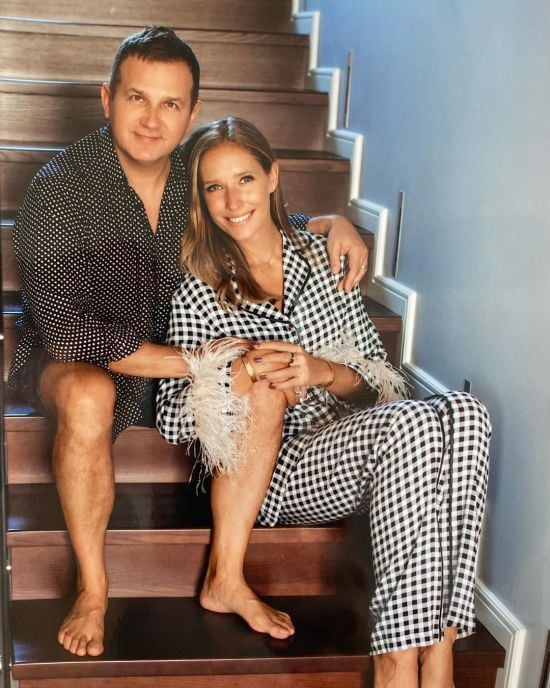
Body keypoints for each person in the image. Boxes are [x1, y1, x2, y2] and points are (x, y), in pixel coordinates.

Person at [7, 27, 369, 658]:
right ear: (107, 99)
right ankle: (93, 588)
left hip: (181, 359)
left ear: (192, 111)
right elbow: (66, 328)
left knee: (261, 371)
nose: (152, 120)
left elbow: (249, 215)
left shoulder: (196, 174)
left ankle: (225, 577)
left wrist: (331, 221)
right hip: (81, 360)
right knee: (90, 395)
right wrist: (199, 363)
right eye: (137, 98)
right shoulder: (58, 188)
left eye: (170, 103)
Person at [156, 116, 491, 688]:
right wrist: (241, 371)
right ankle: (398, 662)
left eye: (244, 179)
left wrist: (321, 371)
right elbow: (171, 417)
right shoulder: (199, 288)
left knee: (466, 413)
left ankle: (439, 645)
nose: (232, 201)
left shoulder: (322, 257)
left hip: (354, 448)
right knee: (415, 427)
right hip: (276, 471)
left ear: (272, 177)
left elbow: (383, 386)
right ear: (201, 198)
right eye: (214, 187)